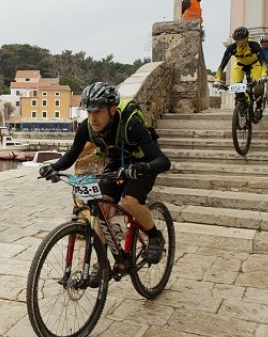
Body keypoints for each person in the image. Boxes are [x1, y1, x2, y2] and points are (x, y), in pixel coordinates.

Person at [38, 82, 171, 269]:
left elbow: (163, 161)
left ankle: (155, 237)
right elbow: (71, 154)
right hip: (117, 165)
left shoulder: (131, 125)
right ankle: (102, 263)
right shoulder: (87, 128)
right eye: (89, 112)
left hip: (143, 164)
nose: (93, 118)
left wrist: (141, 168)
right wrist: (54, 167)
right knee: (100, 205)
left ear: (112, 109)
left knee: (129, 202)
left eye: (98, 112)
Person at [213, 27, 268, 119]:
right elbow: (222, 65)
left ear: (247, 38)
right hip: (240, 64)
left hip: (255, 64)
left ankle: (259, 107)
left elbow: (263, 62)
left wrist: (264, 75)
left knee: (259, 85)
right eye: (238, 41)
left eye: (243, 40)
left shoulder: (254, 45)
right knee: (236, 85)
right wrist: (217, 79)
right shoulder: (232, 48)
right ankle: (241, 102)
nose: (241, 43)